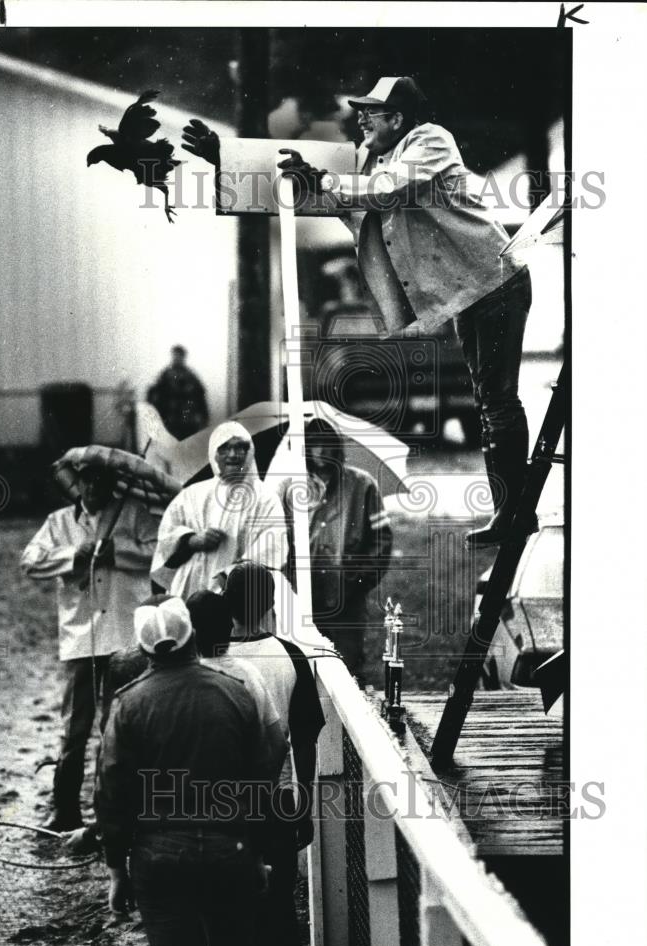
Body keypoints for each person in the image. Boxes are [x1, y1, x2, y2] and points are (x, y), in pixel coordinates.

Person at [183, 79, 534, 549]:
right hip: (472, 292)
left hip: (495, 281)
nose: (362, 118)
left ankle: (515, 514)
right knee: (490, 402)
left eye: (373, 111)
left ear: (399, 119)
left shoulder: (428, 141)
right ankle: (513, 513)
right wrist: (224, 161)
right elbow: (320, 191)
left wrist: (326, 180)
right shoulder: (378, 163)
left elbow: (384, 190)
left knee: (497, 402)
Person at [94, 595, 273, 946]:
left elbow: (112, 793)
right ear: (192, 635)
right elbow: (259, 780)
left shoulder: (128, 705)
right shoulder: (235, 692)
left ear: (143, 649)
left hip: (160, 856)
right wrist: (258, 852)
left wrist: (115, 869)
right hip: (231, 851)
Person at [20, 464, 160, 831]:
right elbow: (30, 561)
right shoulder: (59, 522)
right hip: (81, 636)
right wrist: (74, 555)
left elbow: (159, 553)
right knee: (74, 727)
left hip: (124, 633)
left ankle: (111, 813)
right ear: (77, 483)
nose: (96, 486)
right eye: (88, 479)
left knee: (116, 727)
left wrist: (118, 550)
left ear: (115, 483)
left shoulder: (135, 515)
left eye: (104, 479)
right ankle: (64, 809)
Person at [224, 562, 325, 946]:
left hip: (221, 803)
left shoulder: (213, 657)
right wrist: (304, 805)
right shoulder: (291, 655)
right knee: (280, 907)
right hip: (280, 799)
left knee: (229, 912)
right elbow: (305, 739)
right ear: (270, 604)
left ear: (228, 604)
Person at [279, 418, 393, 679]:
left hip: (346, 597)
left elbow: (382, 539)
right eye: (314, 444)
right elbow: (277, 537)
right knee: (304, 670)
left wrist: (358, 578)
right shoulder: (291, 486)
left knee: (347, 669)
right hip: (302, 595)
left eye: (327, 443)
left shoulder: (362, 485)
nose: (322, 451)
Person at [150, 420, 288, 598]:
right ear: (213, 452)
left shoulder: (265, 498)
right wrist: (191, 540)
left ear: (250, 452)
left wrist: (229, 577)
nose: (232, 455)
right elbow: (166, 537)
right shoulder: (191, 495)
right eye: (224, 448)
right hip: (190, 590)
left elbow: (272, 545)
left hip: (240, 595)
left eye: (240, 447)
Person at [186, 589, 287, 782]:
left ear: (190, 633)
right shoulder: (249, 674)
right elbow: (279, 745)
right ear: (230, 627)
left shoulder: (182, 679)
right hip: (244, 798)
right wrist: (262, 791)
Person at [146, 344, 209, 441]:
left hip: (188, 420)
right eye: (175, 355)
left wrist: (203, 417)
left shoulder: (191, 376)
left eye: (179, 356)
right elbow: (154, 394)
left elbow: (200, 395)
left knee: (187, 445)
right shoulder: (165, 375)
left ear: (183, 357)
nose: (177, 358)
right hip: (171, 419)